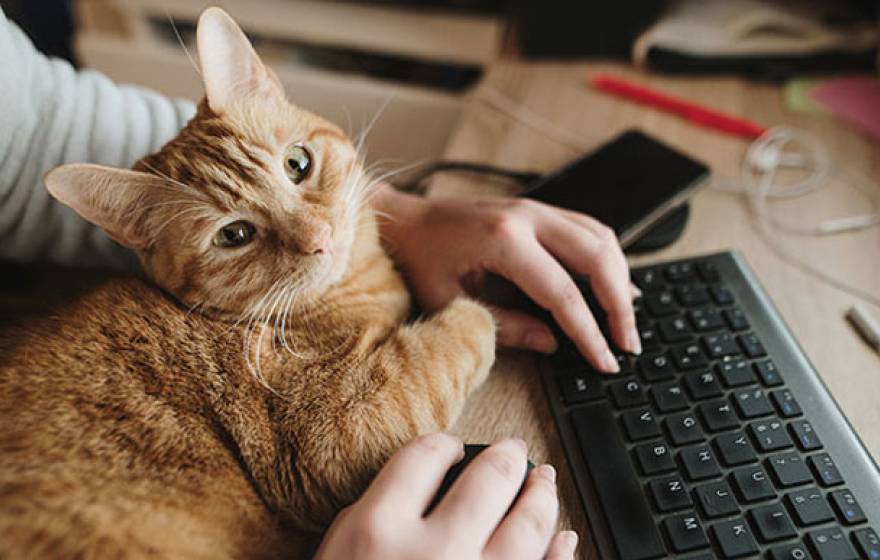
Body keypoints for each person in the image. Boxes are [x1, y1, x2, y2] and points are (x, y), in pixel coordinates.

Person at [0, 7, 639, 558]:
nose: (313, 235)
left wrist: (407, 214)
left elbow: (27, 127)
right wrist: (473, 323)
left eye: (298, 164)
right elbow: (341, 456)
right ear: (148, 243)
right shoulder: (252, 341)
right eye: (234, 236)